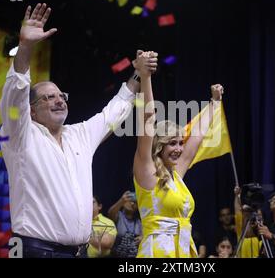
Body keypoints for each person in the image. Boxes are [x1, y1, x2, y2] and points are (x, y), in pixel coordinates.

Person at [0, 3, 157, 258]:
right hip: (35, 251)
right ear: (31, 111)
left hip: (80, 252)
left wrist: (138, 75)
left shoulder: (79, 135)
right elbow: (15, 92)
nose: (59, 100)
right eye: (48, 98)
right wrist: (26, 47)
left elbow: (114, 111)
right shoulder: (21, 135)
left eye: (61, 95)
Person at [132, 51, 224, 257]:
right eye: (172, 143)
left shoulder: (176, 175)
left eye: (180, 143)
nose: (179, 149)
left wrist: (214, 103)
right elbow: (147, 119)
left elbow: (198, 136)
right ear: (159, 146)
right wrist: (145, 77)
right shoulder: (147, 171)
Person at [108, 191, 142, 258]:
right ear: (123, 203)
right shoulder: (119, 216)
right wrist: (121, 201)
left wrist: (142, 238)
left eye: (135, 202)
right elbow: (110, 213)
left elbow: (145, 235)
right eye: (129, 201)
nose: (132, 203)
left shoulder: (139, 222)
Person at [233, 186, 261, 258]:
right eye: (245, 215)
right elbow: (237, 211)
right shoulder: (241, 233)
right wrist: (237, 195)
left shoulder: (262, 238)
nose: (247, 217)